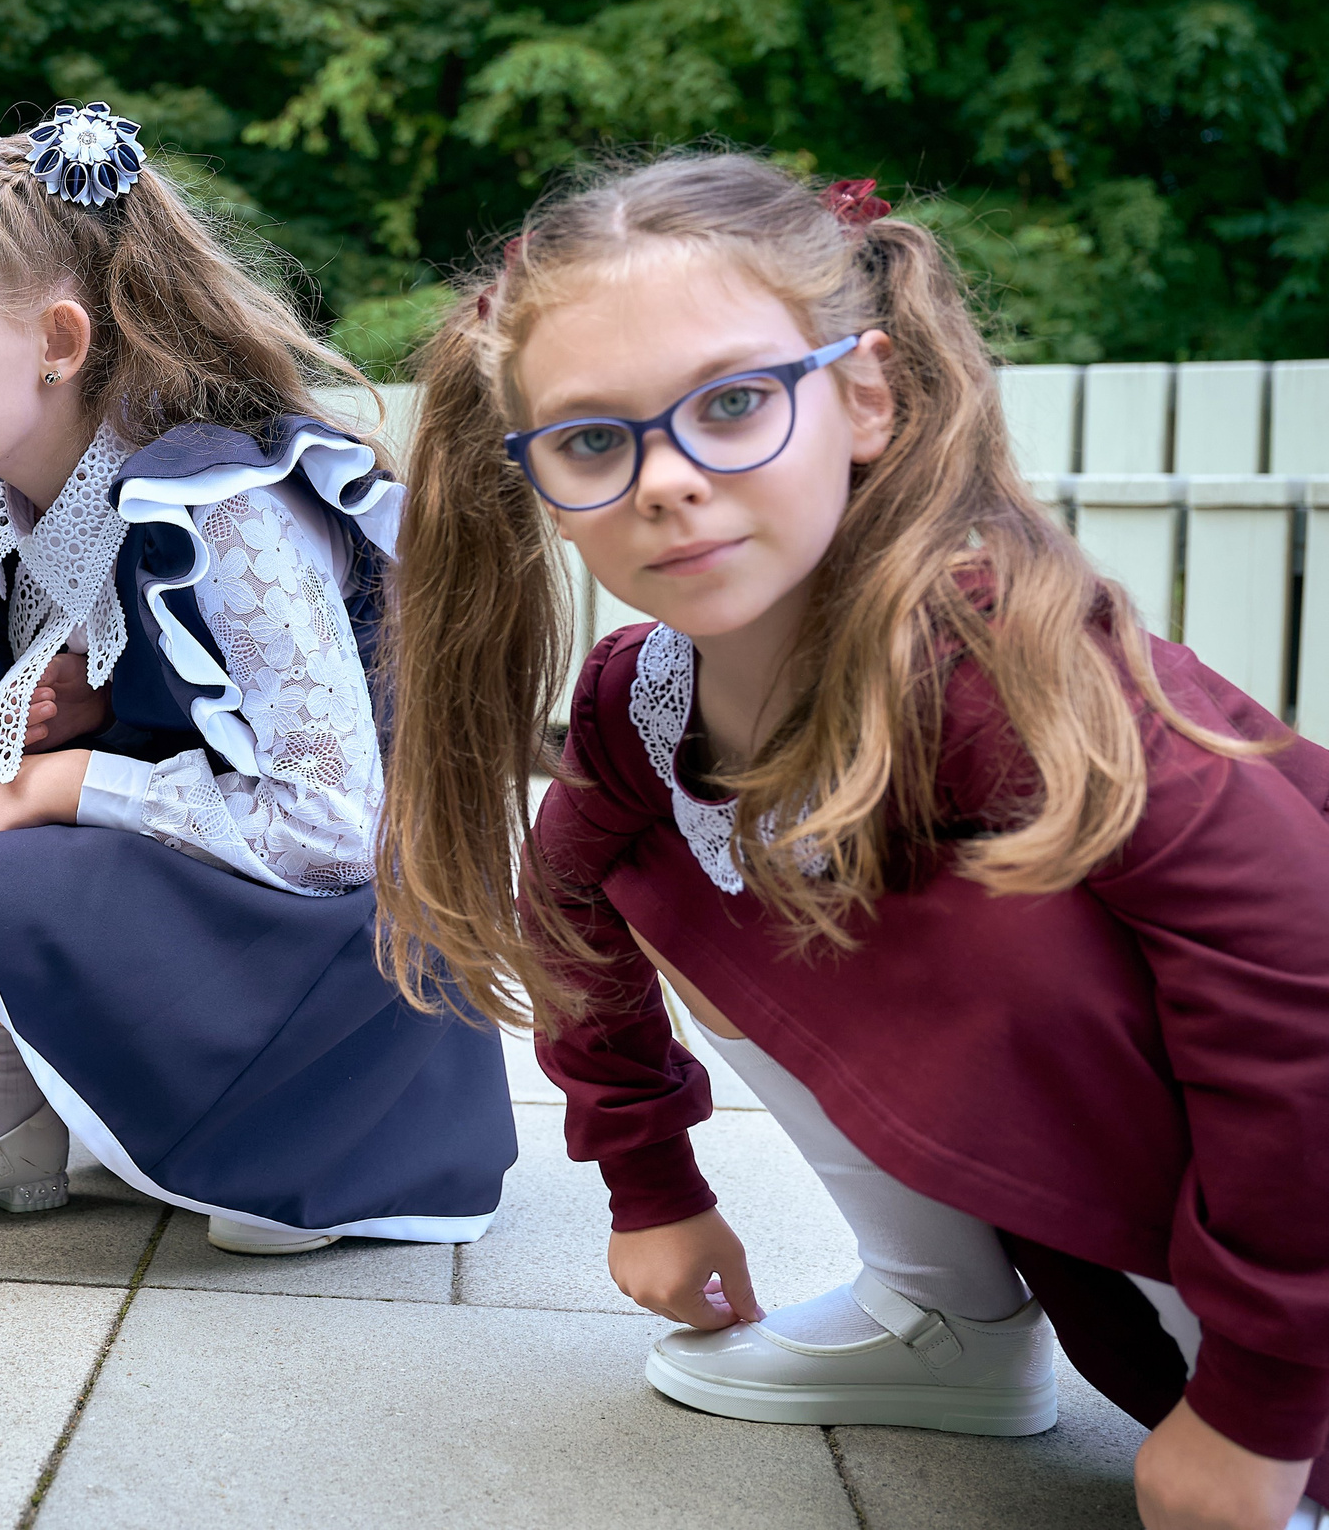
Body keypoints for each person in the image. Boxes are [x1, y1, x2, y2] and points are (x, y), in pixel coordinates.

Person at [377, 151, 1329, 1530]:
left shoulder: (1013, 675)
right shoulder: (646, 697)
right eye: (593, 439)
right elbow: (570, 898)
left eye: (736, 402)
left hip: (1284, 1290)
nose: (669, 478)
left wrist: (1256, 1406)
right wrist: (651, 1185)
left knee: (1010, 930)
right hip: (1168, 1286)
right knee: (674, 866)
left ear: (864, 395)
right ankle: (938, 1312)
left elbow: (1302, 998)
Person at [0, 105, 522, 1255]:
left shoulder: (228, 511)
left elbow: (331, 825)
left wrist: (80, 781)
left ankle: (305, 1130)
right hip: (232, 893)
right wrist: (86, 716)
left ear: (59, 341)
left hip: (347, 946)